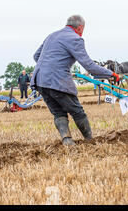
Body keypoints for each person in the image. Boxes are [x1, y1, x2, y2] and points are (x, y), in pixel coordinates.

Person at [30, 15, 120, 146]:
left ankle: (67, 140)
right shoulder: (75, 39)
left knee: (58, 112)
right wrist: (111, 74)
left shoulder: (52, 35)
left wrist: (50, 67)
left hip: (40, 80)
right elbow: (88, 65)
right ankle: (90, 141)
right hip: (57, 80)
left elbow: (36, 56)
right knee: (77, 112)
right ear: (80, 27)